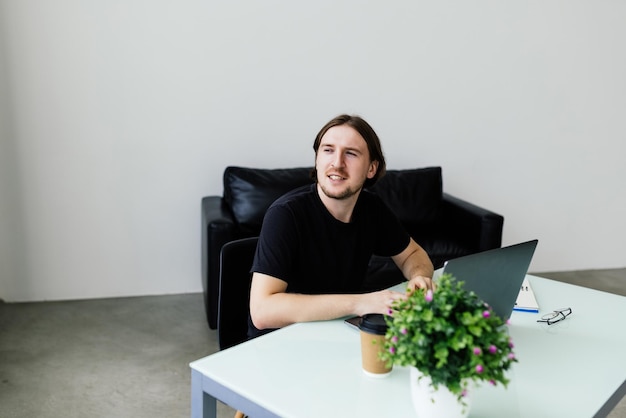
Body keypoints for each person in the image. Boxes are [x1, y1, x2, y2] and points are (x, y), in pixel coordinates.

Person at [248, 114, 434, 338]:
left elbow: (412, 253)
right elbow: (262, 312)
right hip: (280, 343)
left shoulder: (371, 208)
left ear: (371, 168)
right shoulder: (285, 215)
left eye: (351, 153)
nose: (337, 163)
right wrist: (361, 303)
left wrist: (419, 277)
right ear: (317, 159)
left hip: (336, 332)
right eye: (328, 150)